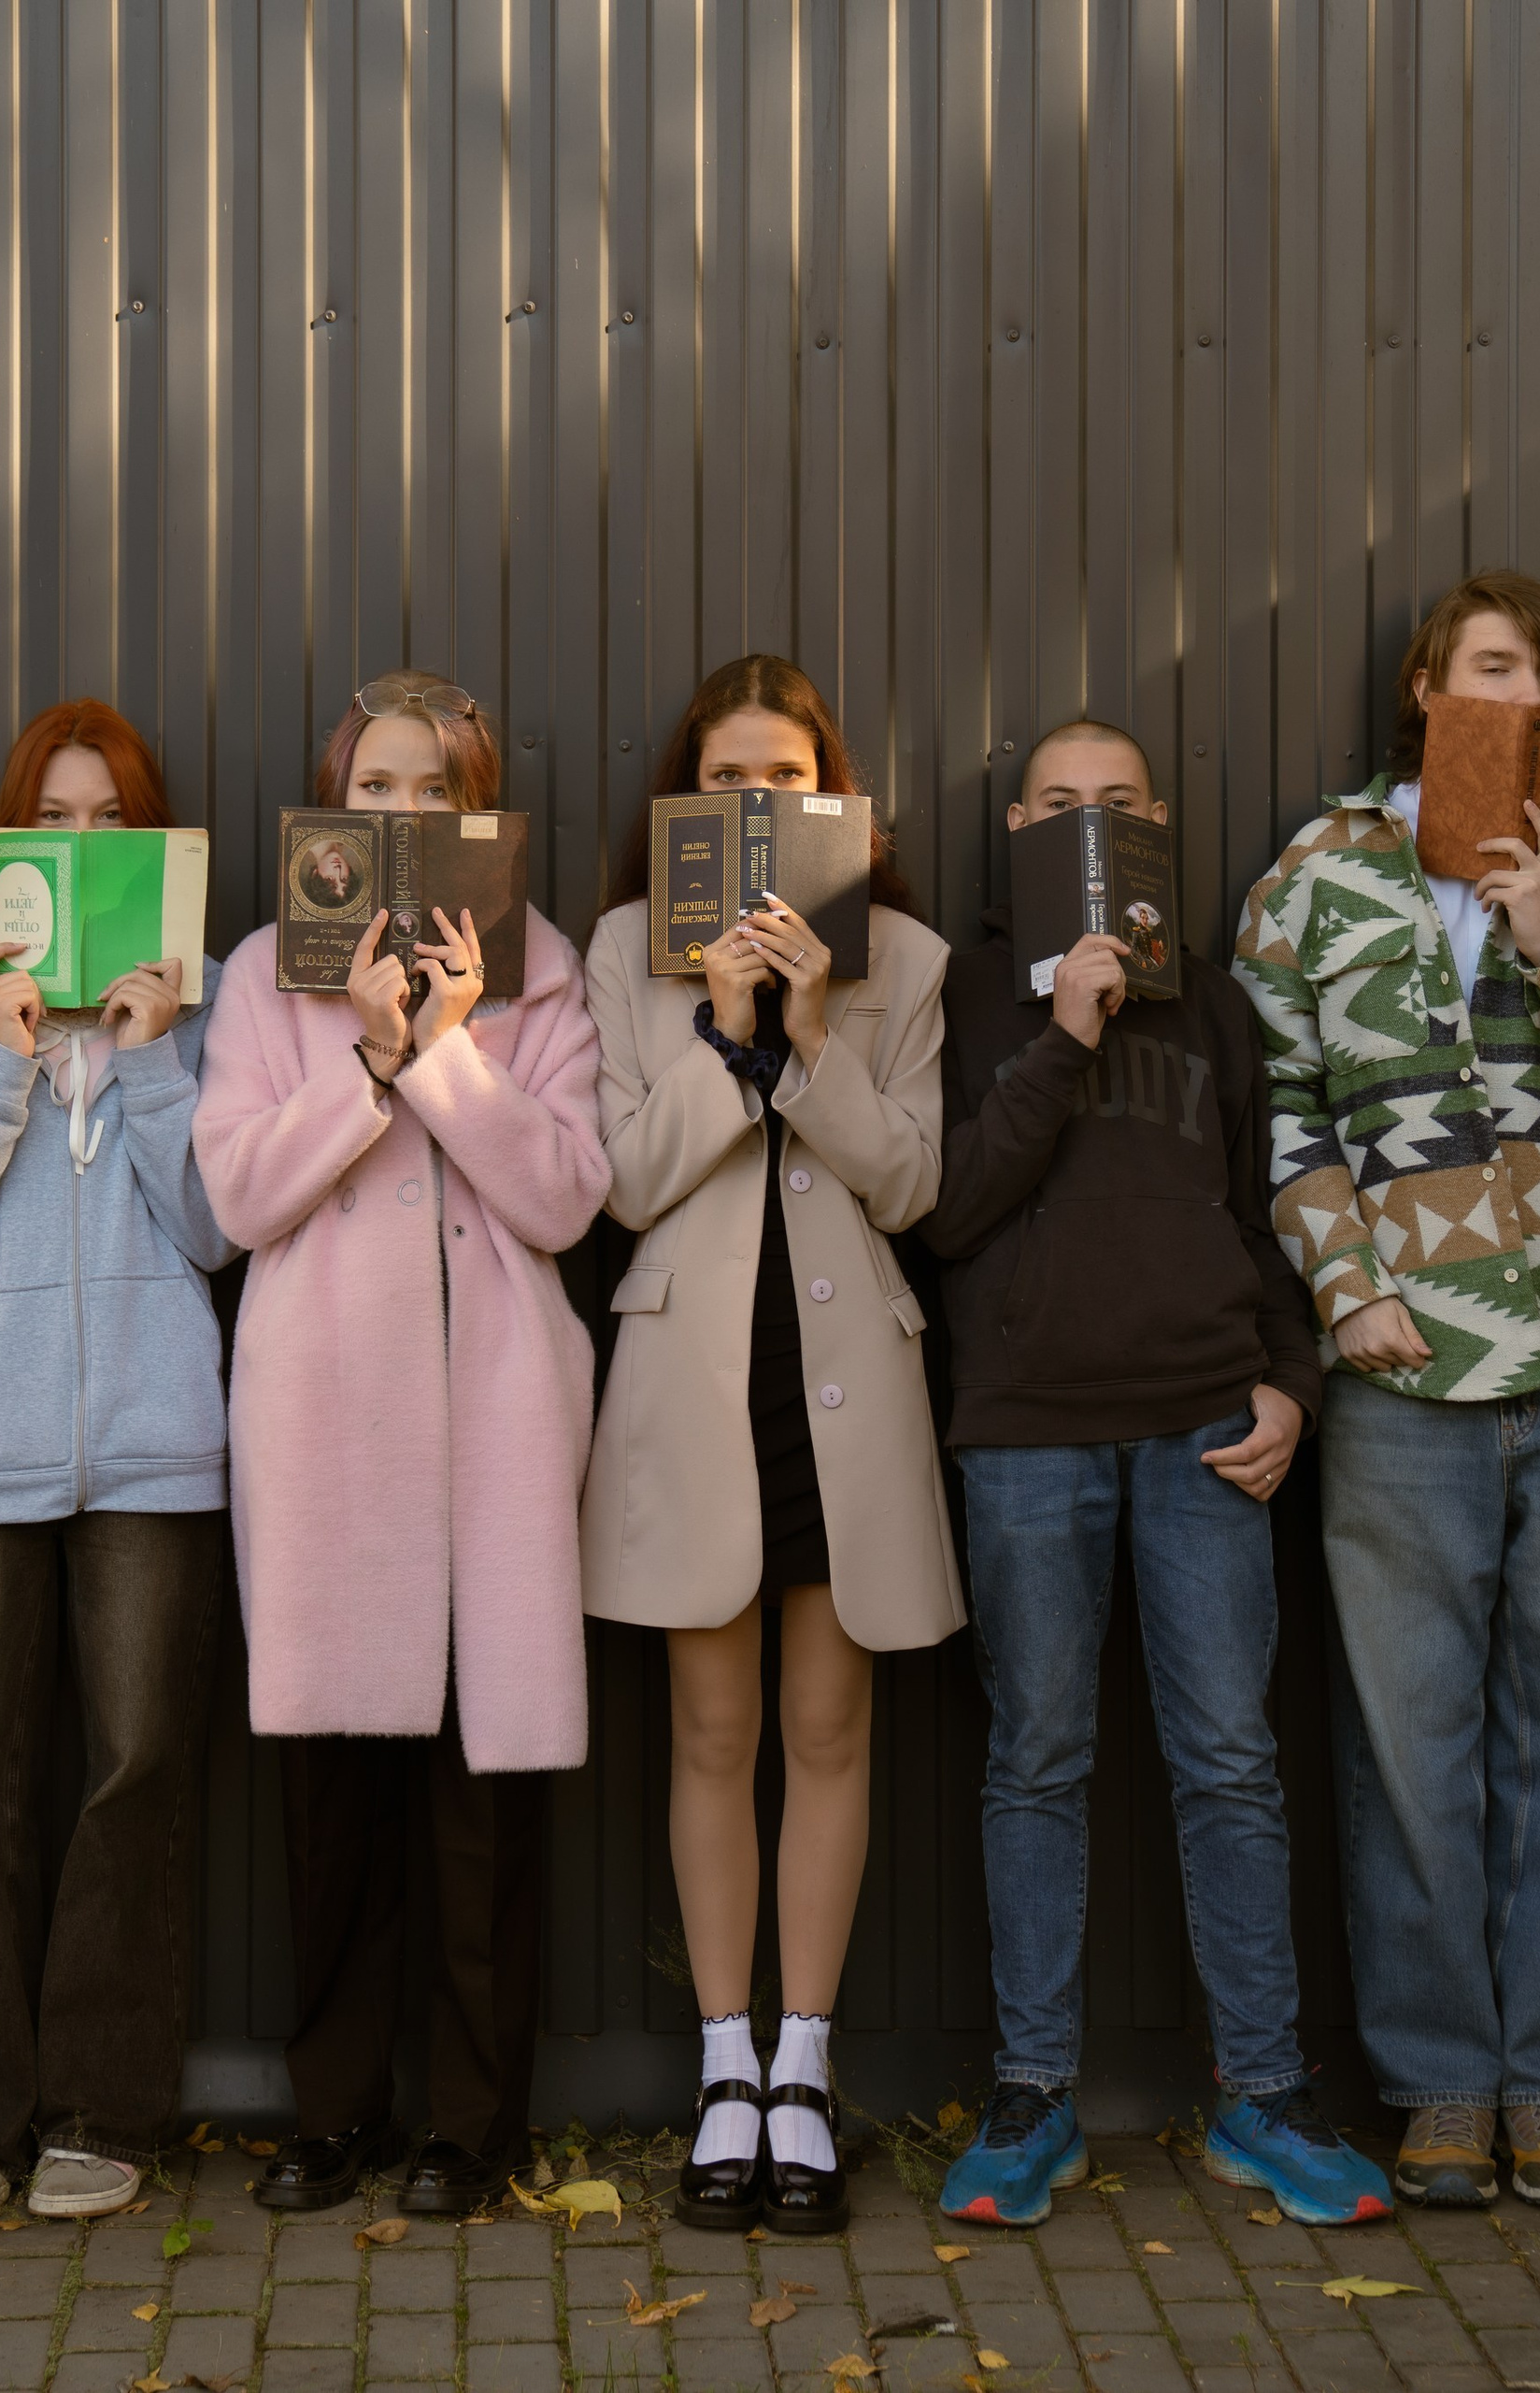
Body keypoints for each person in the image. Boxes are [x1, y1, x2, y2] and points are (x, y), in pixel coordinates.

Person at [1233, 570, 1540, 2209]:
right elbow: (1286, 1110)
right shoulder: (1315, 875)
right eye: (1492, 667)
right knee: (1409, 1738)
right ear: (1429, 687)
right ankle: (1447, 2084)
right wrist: (1346, 1288)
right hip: (1401, 1364)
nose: (1517, 697)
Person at [921, 724, 1387, 2228]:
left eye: (1117, 803)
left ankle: (1263, 2099)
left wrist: (1295, 1386)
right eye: (1062, 804)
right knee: (1036, 1764)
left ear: (1159, 825)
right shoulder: (966, 988)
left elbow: (1264, 1217)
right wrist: (1063, 1029)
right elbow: (950, 1209)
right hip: (1028, 1428)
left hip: (1204, 1426)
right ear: (1016, 828)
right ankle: (1032, 2098)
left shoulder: (1219, 1009)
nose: (1089, 820)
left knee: (1231, 1766)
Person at [194, 669, 608, 2219]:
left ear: (478, 809)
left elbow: (570, 1196)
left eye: (439, 791)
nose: (408, 815)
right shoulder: (259, 976)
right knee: (332, 1800)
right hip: (329, 1417)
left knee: (481, 1795)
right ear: (333, 807)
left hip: (489, 1412)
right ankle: (334, 2111)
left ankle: (473, 2124)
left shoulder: (545, 970)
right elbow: (239, 1197)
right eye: (379, 789)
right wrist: (365, 1061)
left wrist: (447, 1048)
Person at [580, 654, 962, 2237]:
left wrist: (813, 1035)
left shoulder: (906, 959)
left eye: (786, 781)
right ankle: (723, 2068)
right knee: (712, 1738)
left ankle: (804, 2067)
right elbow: (623, 1178)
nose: (758, 806)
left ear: (831, 797)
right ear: (689, 796)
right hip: (694, 1386)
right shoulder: (623, 950)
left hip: (841, 1386)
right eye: (728, 779)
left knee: (829, 1731)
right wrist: (726, 1033)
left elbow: (913, 1184)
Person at [0, 699, 234, 2222]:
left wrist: (146, 1059)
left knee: (135, 1778)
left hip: (153, 1447)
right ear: (9, 844)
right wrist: (4, 1066)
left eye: (108, 821)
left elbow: (218, 1230)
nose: (80, 843)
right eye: (53, 818)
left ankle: (101, 2110)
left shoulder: (195, 1002)